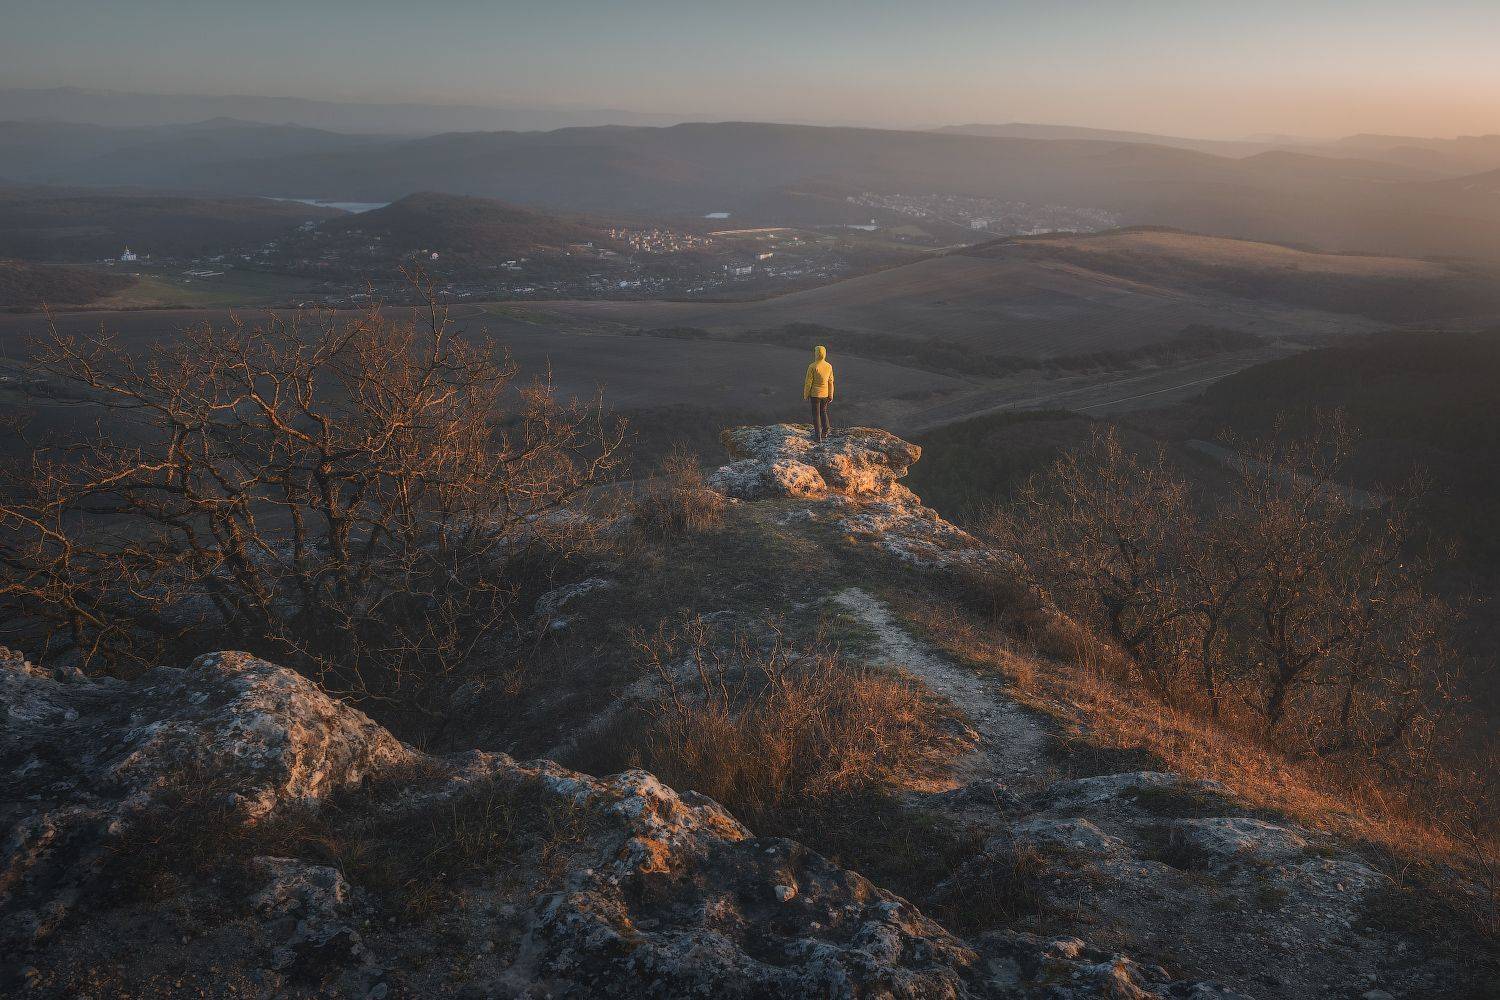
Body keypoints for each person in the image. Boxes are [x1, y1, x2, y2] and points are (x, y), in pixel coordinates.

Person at [802, 344, 834, 442]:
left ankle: (817, 436)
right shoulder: (829, 366)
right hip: (825, 394)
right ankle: (825, 430)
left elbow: (808, 382)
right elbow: (831, 381)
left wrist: (806, 394)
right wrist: (831, 394)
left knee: (815, 415)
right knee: (823, 411)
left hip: (815, 395)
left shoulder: (812, 366)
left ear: (816, 354)